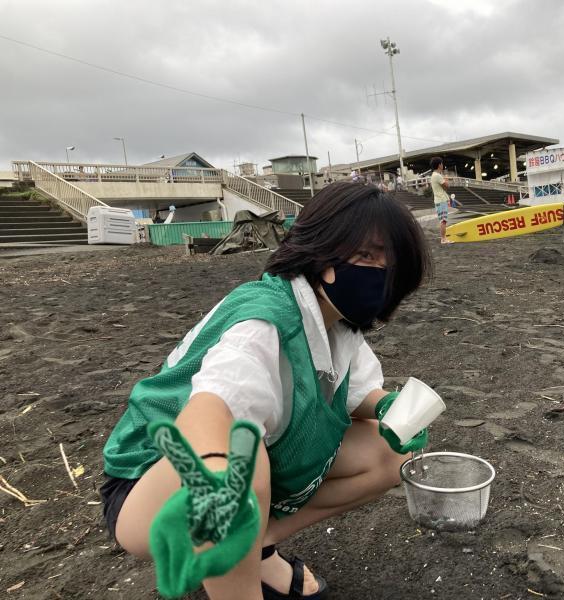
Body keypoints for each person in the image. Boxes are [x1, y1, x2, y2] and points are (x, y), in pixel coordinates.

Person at [101, 182, 432, 600]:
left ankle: (250, 547)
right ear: (323, 251)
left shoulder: (336, 317)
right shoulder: (266, 321)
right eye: (365, 255)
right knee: (236, 464)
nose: (380, 272)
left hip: (232, 461)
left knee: (392, 452)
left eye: (391, 261)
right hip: (149, 484)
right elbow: (209, 410)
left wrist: (386, 405)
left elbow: (354, 390)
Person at [430, 157, 452, 244]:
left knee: (443, 220)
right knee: (443, 220)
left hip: (439, 200)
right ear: (439, 165)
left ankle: (443, 238)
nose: (443, 165)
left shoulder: (434, 175)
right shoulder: (437, 175)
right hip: (441, 200)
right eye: (442, 163)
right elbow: (447, 186)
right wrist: (446, 178)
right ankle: (443, 239)